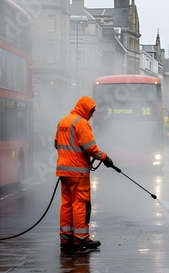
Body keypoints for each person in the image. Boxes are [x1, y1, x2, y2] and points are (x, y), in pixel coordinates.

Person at [54, 96, 114, 251]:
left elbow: (56, 144)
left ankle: (66, 239)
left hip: (63, 171)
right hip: (78, 173)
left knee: (66, 204)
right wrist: (105, 158)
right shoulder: (81, 123)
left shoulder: (63, 121)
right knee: (80, 203)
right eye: (91, 111)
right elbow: (90, 148)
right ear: (85, 109)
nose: (92, 115)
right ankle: (81, 240)